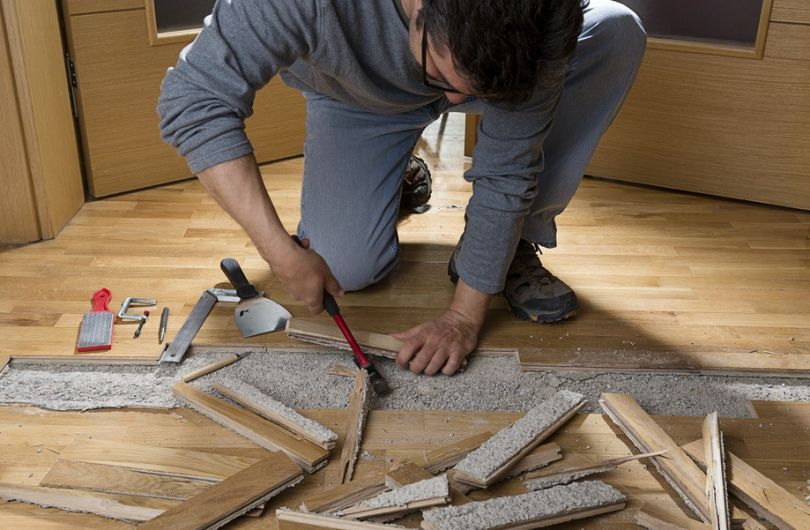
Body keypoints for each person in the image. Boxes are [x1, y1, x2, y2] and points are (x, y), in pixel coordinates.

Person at [158, 0, 646, 377]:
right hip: (353, 98)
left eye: (465, 90)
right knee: (346, 268)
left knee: (615, 30)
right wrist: (279, 252)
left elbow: (508, 170)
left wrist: (463, 318)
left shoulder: (537, 20)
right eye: (441, 76)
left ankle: (515, 240)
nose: (453, 101)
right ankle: (395, 173)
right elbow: (194, 101)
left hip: (498, 75)